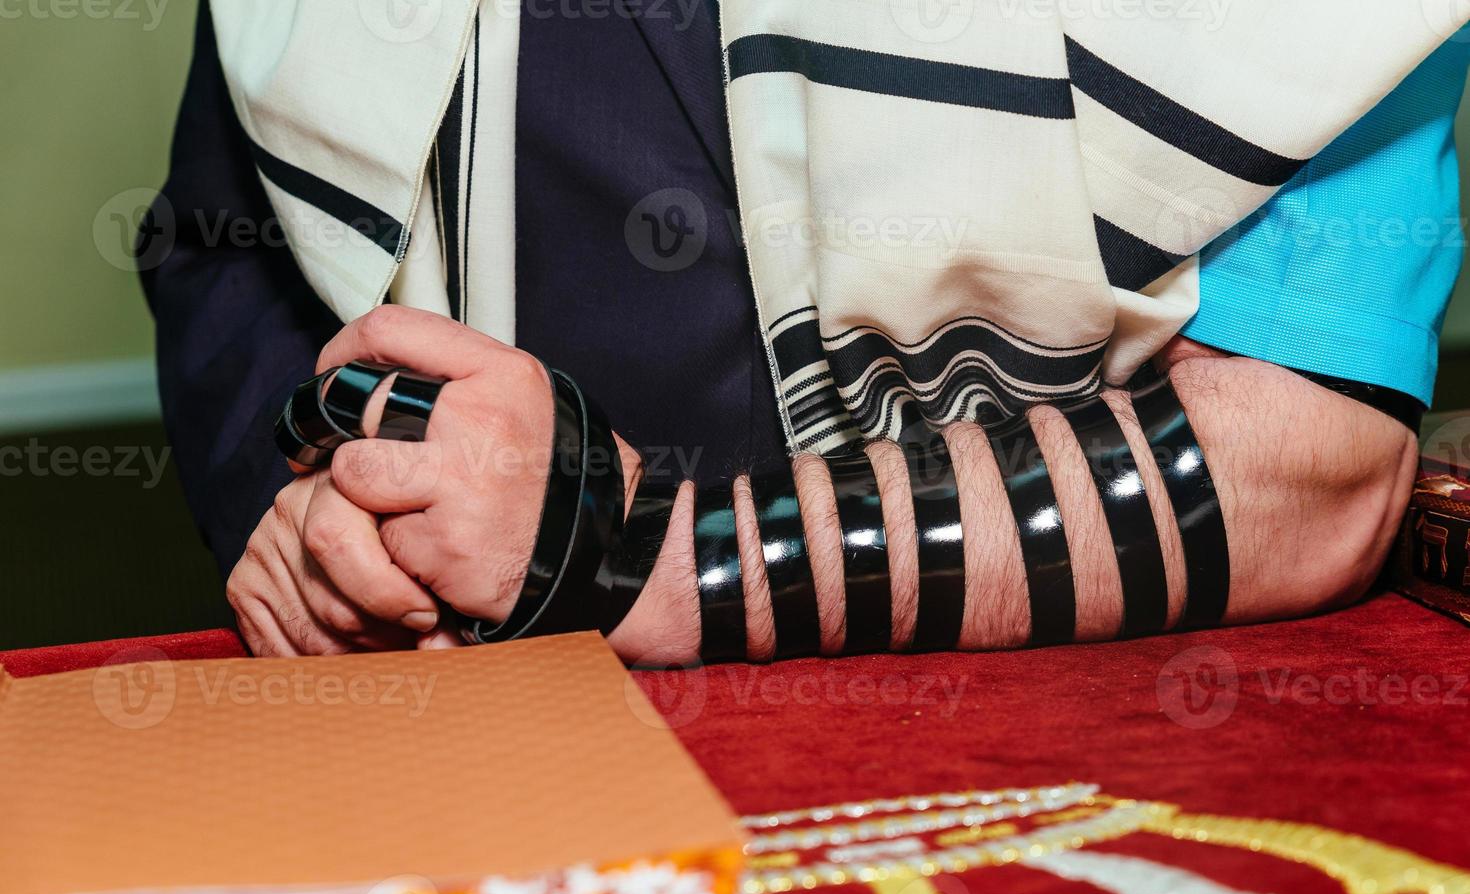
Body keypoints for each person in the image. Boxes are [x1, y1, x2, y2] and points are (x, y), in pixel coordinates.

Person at [144, 3, 1469, 661]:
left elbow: (1310, 470)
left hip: (1042, 733)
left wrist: (637, 563)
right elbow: (231, 249)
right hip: (485, 733)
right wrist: (333, 514)